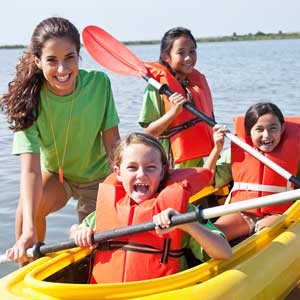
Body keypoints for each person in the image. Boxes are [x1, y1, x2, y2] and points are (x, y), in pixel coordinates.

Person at [0, 17, 120, 263]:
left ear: (79, 55)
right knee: (26, 212)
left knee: (92, 248)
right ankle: (27, 269)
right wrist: (28, 231)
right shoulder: (29, 101)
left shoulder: (99, 84)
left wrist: (119, 190)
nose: (63, 70)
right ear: (37, 61)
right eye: (52, 61)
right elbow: (31, 172)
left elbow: (114, 147)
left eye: (70, 58)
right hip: (58, 176)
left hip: (98, 178)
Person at [70, 132, 232, 283]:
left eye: (151, 167)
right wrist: (78, 231)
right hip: (107, 293)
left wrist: (186, 224)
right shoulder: (106, 210)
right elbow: (76, 230)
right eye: (132, 167)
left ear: (162, 172)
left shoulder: (180, 211)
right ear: (118, 173)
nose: (141, 174)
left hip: (159, 293)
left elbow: (224, 252)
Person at [204, 102, 300, 241]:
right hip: (242, 212)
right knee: (210, 237)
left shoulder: (295, 155)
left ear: (282, 128)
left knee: (263, 238)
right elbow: (207, 180)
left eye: (273, 128)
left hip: (276, 214)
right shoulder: (234, 153)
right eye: (259, 129)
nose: (266, 136)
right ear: (249, 131)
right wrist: (216, 149)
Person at [138, 27, 214, 168]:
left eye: (192, 51)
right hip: (169, 166)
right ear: (166, 56)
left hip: (197, 164)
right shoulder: (156, 88)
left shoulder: (196, 85)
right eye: (181, 53)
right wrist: (173, 113)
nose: (188, 58)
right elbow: (147, 134)